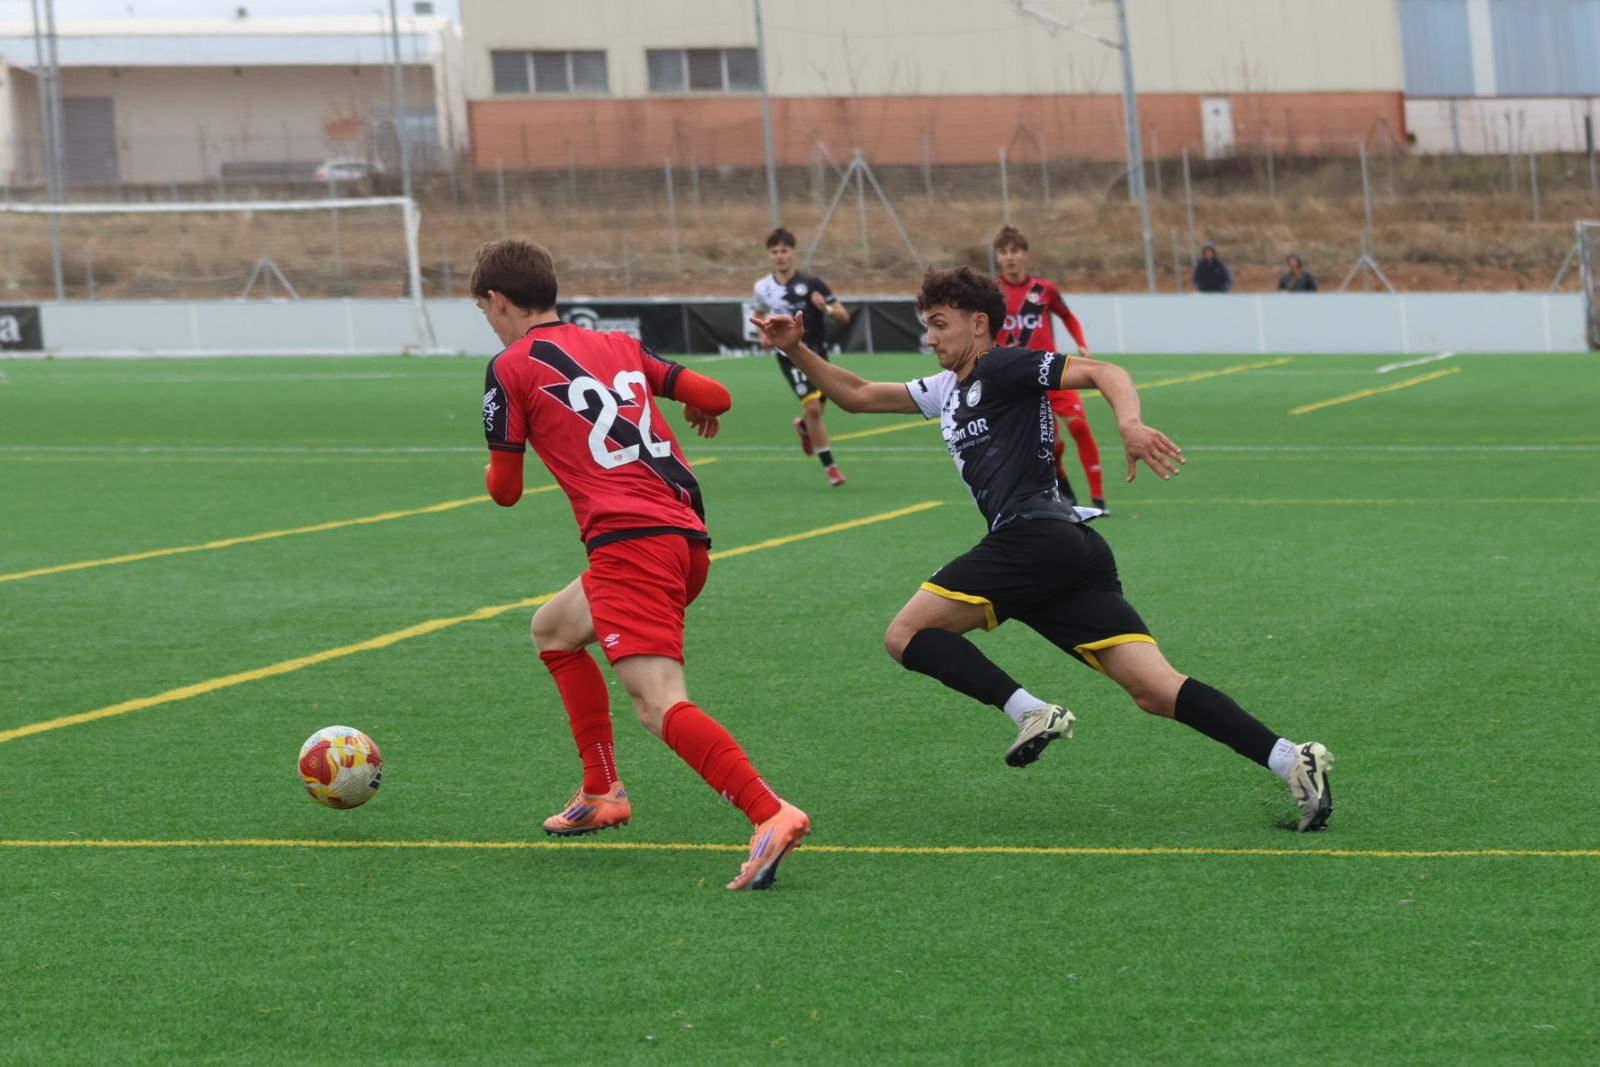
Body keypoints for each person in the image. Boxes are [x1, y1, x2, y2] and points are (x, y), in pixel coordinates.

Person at [748, 266, 1334, 832]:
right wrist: (795, 349)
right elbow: (854, 394)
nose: (929, 338)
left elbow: (1107, 372)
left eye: (939, 324)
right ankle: (1290, 758)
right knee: (1155, 689)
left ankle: (1029, 709)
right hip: (1065, 550)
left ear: (978, 324)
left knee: (904, 635)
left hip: (1031, 538)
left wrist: (1129, 423)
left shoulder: (1002, 365)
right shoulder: (947, 388)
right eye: (926, 325)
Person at [475, 238, 810, 889]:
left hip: (632, 544)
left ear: (497, 300)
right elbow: (716, 394)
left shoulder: (510, 365)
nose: (488, 320)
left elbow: (505, 490)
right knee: (553, 629)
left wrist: (499, 449)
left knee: (659, 704)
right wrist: (695, 405)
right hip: (686, 538)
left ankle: (770, 811)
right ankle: (602, 790)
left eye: (486, 309)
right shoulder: (616, 345)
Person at [993, 225, 1107, 512]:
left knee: (1079, 426)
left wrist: (1081, 343)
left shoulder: (1044, 290)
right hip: (1021, 379)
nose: (1010, 257)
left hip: (1052, 371)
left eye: (1015, 251)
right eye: (1003, 252)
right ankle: (1062, 482)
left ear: (1026, 255)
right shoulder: (993, 292)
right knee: (1050, 443)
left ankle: (1099, 498)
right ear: (997, 257)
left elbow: (1068, 317)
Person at [752, 227, 851, 487]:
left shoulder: (813, 284)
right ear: (769, 256)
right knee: (813, 408)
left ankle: (805, 428)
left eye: (784, 251)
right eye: (775, 252)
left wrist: (826, 307)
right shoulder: (762, 287)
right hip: (790, 354)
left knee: (819, 409)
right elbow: (759, 313)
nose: (780, 256)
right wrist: (762, 332)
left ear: (793, 253)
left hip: (818, 353)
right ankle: (830, 467)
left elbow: (843, 315)